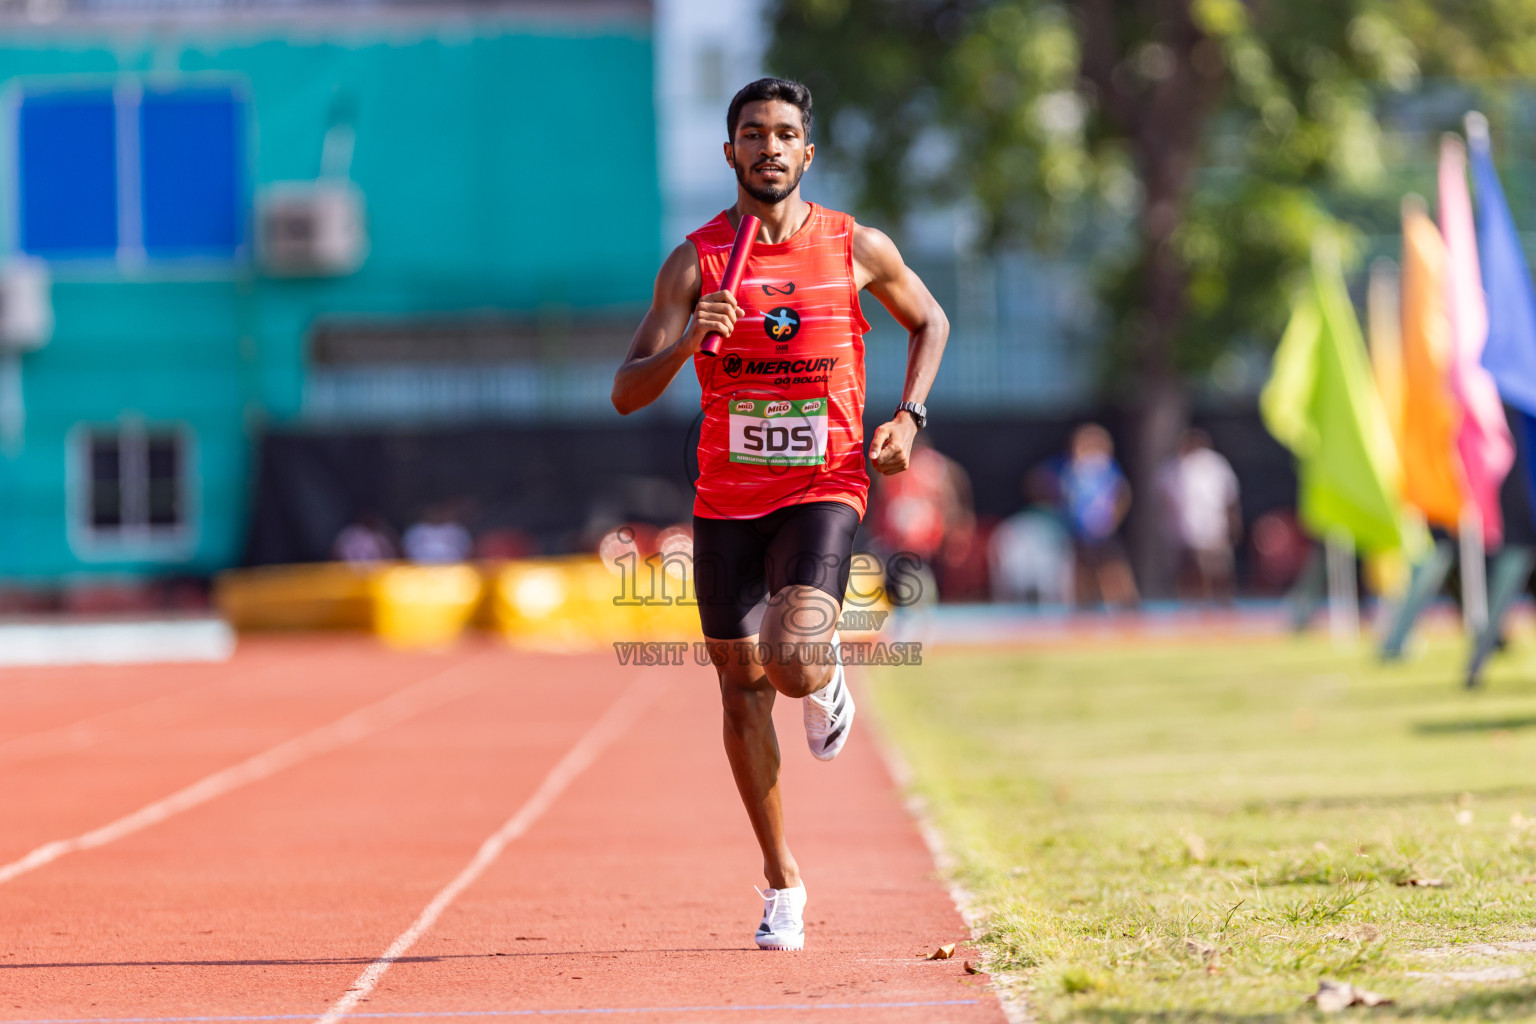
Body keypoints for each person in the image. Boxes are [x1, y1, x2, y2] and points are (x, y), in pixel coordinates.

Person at [611, 77, 948, 951]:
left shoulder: (854, 247)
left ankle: (824, 676)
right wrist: (690, 338)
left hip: (823, 486)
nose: (769, 147)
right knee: (739, 693)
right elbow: (625, 391)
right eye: (753, 133)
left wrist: (908, 416)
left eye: (785, 133)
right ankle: (781, 879)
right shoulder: (694, 262)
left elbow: (931, 321)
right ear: (730, 153)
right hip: (726, 500)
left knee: (791, 659)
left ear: (807, 151)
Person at [1056, 424, 1138, 608]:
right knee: (1083, 568)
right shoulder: (1074, 471)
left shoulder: (1105, 469)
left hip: (1102, 527)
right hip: (1081, 528)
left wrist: (1114, 518)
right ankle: (1083, 602)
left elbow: (1122, 493)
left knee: (1110, 567)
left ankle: (1123, 601)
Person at [1159, 429, 1241, 601]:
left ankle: (1216, 604)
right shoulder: (1175, 467)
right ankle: (1197, 605)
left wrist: (1232, 522)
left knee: (1215, 571)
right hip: (1189, 529)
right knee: (1192, 571)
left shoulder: (1214, 464)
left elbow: (1229, 497)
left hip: (1209, 527)